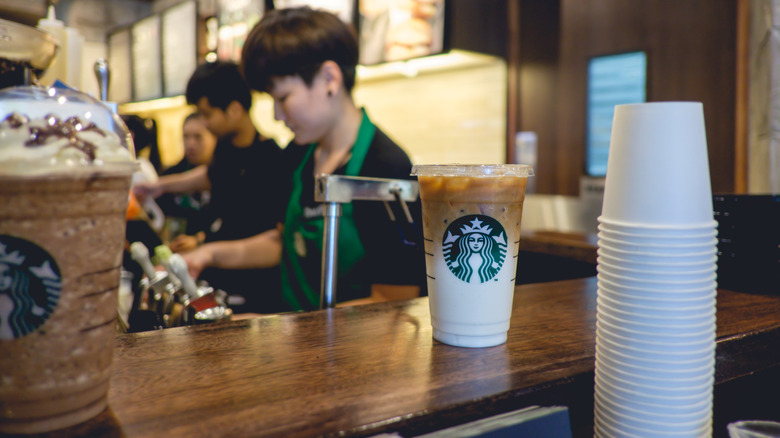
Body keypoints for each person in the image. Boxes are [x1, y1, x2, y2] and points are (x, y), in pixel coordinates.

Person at [182, 6, 425, 312]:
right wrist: (208, 254)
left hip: (354, 354)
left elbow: (395, 301)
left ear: (329, 78)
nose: (277, 115)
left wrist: (297, 335)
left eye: (283, 98)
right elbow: (282, 242)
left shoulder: (385, 168)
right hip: (303, 343)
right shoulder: (299, 155)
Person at [133, 61, 286, 313]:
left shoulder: (271, 160)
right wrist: (158, 187)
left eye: (207, 114)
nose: (204, 123)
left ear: (234, 110)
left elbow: (275, 241)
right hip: (217, 280)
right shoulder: (227, 149)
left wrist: (206, 250)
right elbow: (210, 176)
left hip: (253, 293)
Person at [156, 112, 217, 253]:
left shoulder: (224, 175)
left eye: (198, 137)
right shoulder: (170, 176)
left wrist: (198, 240)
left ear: (214, 137)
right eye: (186, 137)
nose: (190, 143)